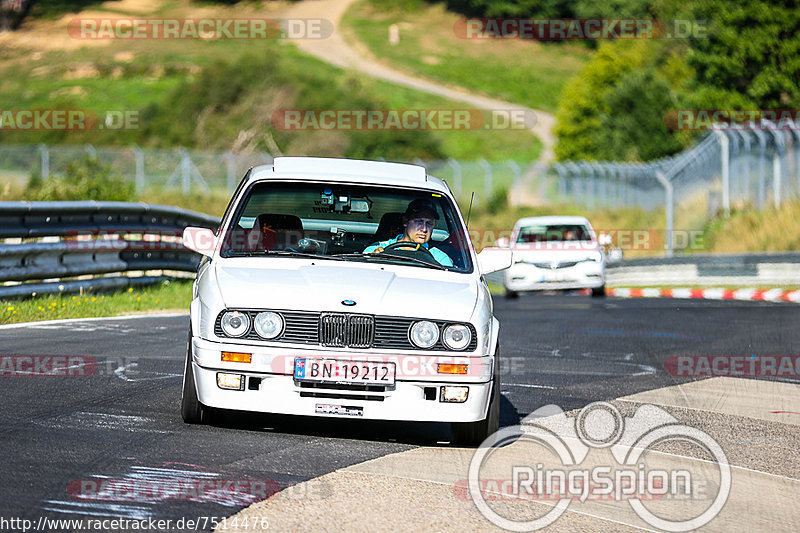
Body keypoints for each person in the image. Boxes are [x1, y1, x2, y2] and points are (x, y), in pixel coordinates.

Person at [363, 198, 454, 267]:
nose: (424, 229)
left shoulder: (440, 258)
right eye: (419, 222)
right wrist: (374, 259)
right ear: (405, 222)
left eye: (429, 223)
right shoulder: (376, 250)